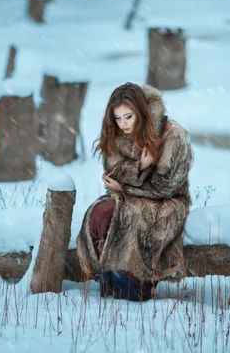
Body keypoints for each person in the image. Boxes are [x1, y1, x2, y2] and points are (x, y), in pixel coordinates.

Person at [76, 82, 193, 301]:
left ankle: (131, 288)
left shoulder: (172, 135)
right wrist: (138, 167)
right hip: (127, 197)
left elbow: (166, 186)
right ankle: (108, 280)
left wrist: (125, 186)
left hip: (167, 201)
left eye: (128, 117)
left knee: (133, 218)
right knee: (100, 212)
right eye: (117, 118)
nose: (122, 124)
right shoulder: (116, 134)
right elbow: (112, 172)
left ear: (141, 112)